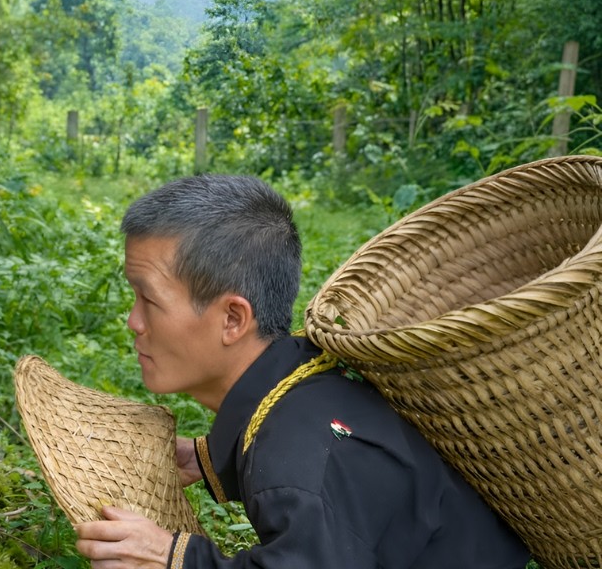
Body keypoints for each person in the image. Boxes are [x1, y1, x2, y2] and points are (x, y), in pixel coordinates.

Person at [74, 174, 530, 568]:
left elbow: (307, 478)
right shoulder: (306, 375)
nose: (133, 322)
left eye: (149, 300)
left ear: (233, 319)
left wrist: (173, 557)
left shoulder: (292, 457)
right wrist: (209, 459)